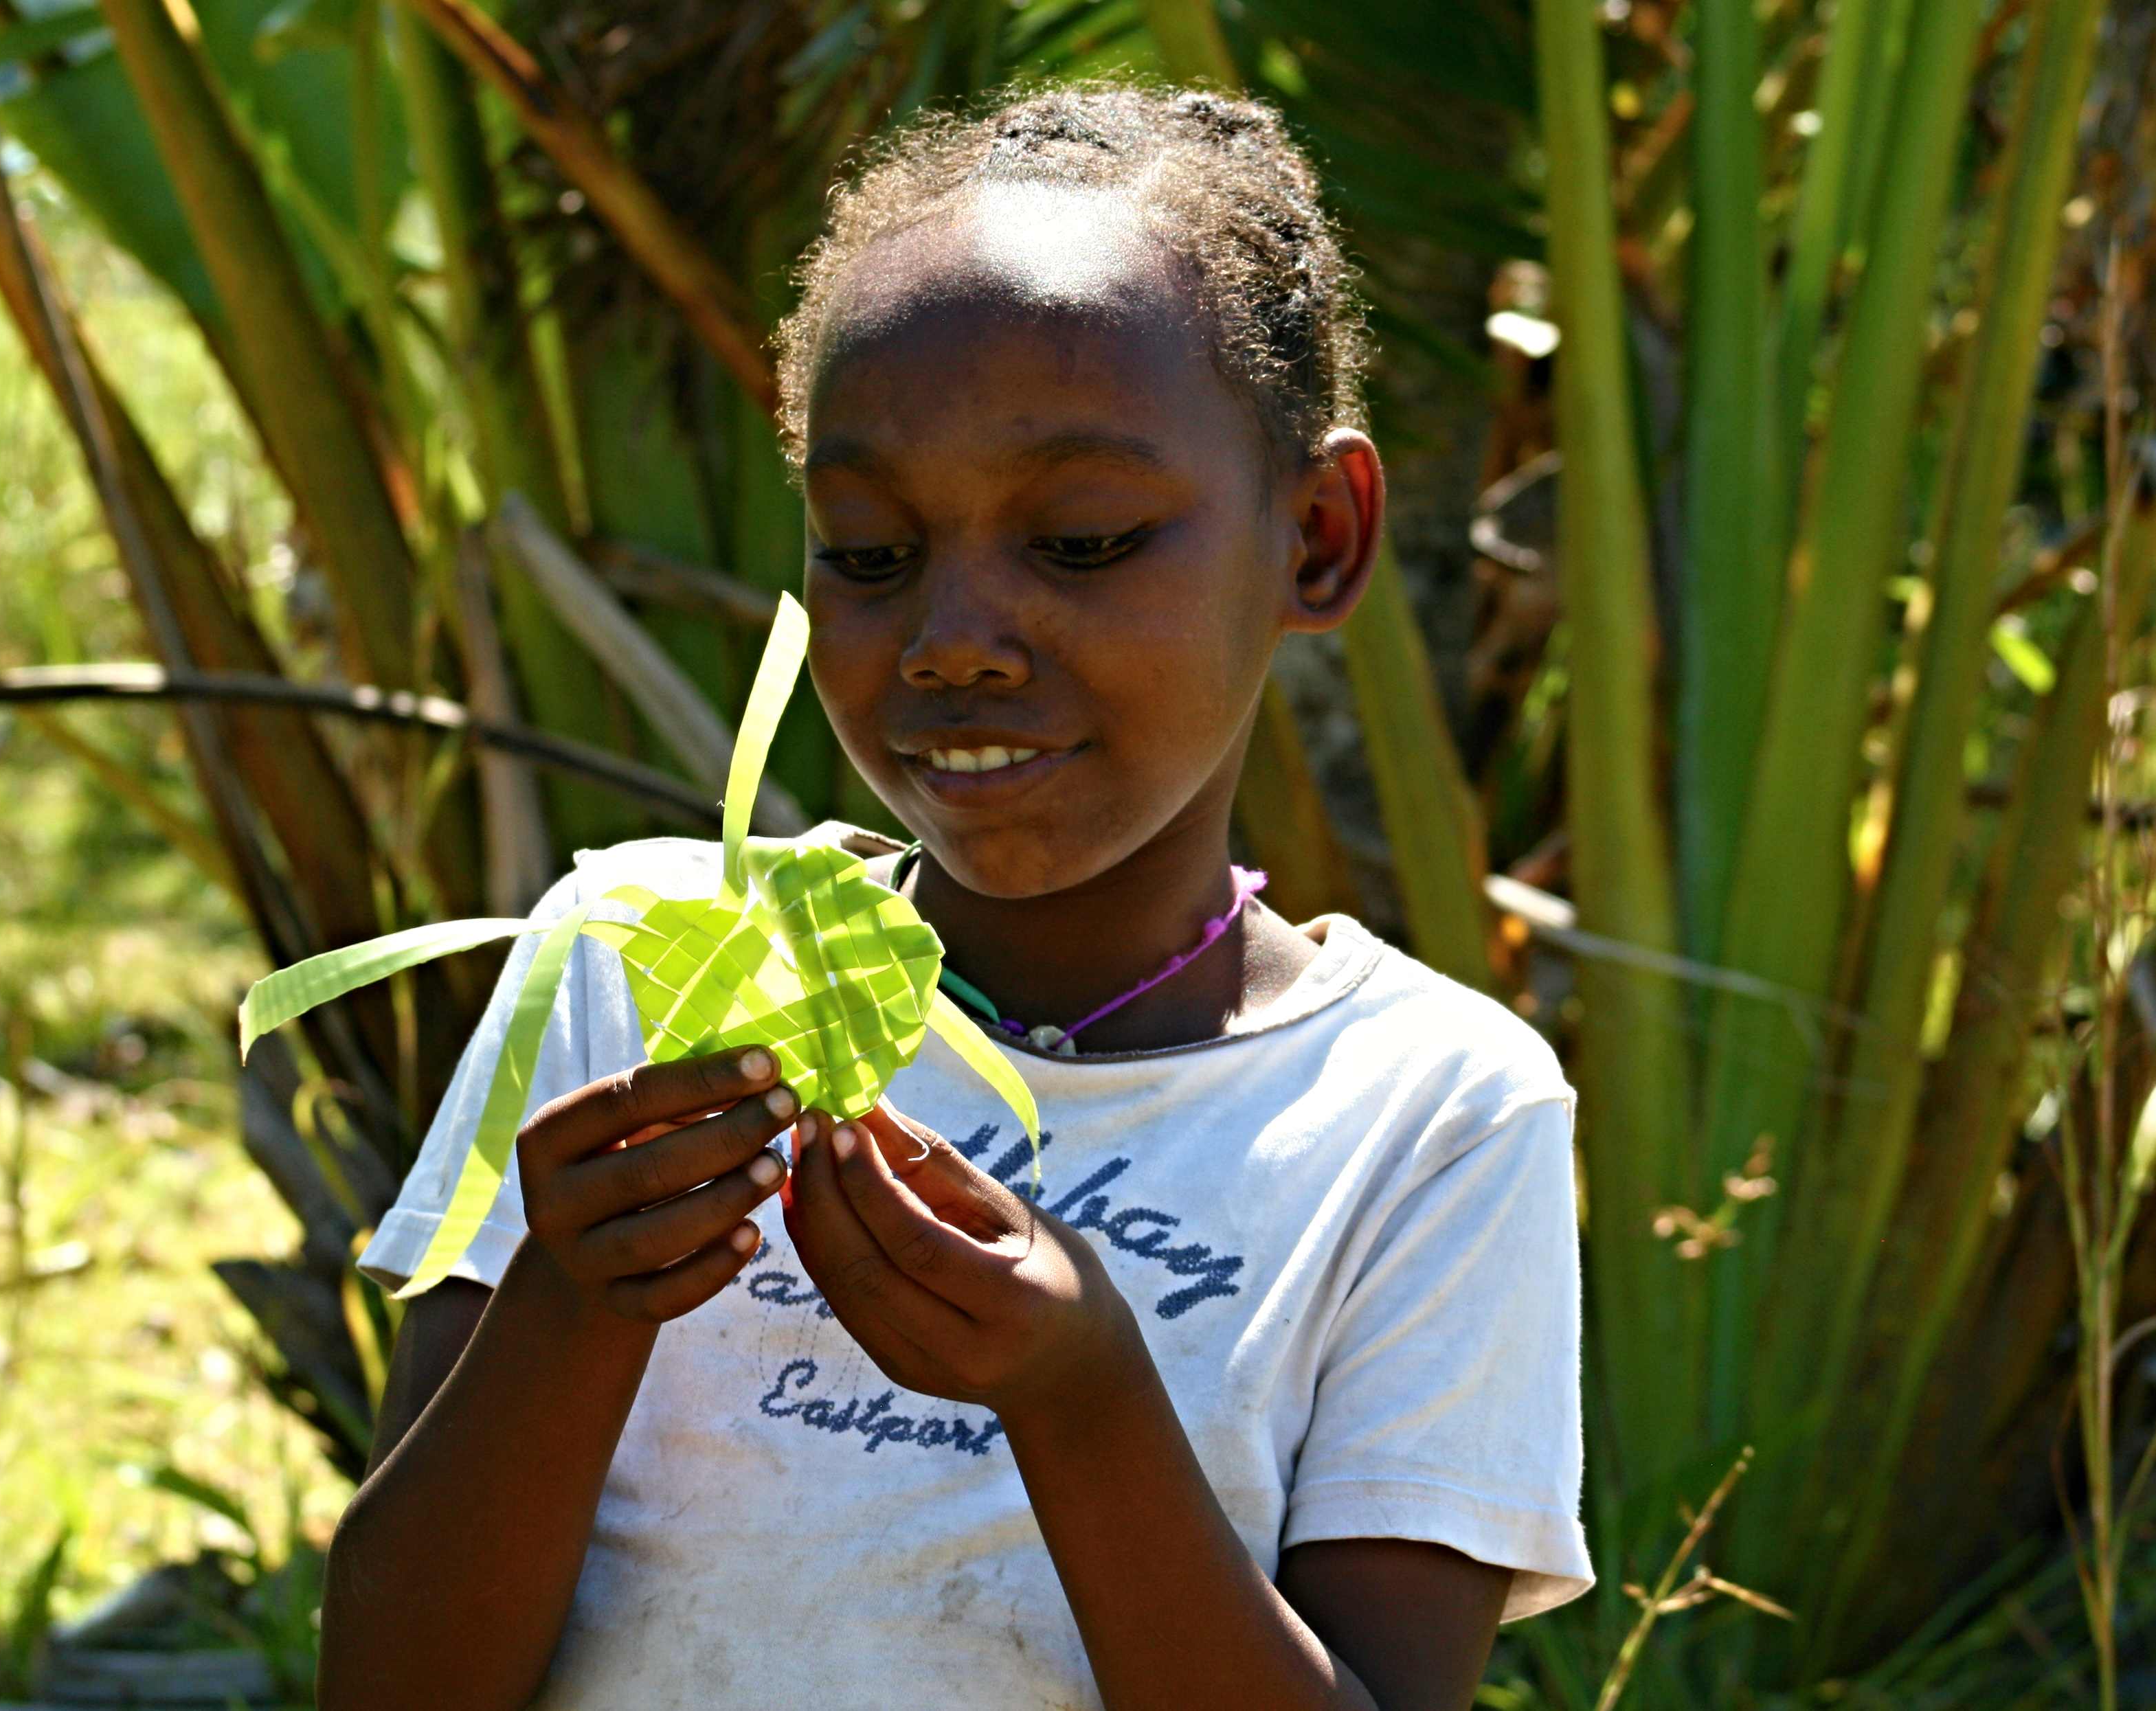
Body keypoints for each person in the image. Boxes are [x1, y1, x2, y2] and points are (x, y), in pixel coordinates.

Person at [317, 83, 1593, 1711]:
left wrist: (1080, 1400)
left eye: (1082, 540)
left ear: (1320, 539)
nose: (952, 640)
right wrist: (573, 1301)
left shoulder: (1427, 1113)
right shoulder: (644, 972)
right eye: (867, 551)